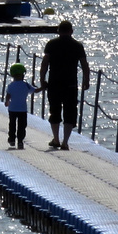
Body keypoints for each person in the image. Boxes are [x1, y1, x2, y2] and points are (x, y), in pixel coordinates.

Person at [38, 21, 90, 150]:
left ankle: (56, 139)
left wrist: (42, 79)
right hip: (71, 83)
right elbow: (84, 65)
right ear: (71, 31)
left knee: (54, 110)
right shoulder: (77, 46)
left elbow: (45, 63)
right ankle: (65, 141)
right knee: (70, 111)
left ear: (58, 31)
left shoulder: (51, 44)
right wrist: (86, 80)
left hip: (54, 82)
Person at [3, 62, 38, 149]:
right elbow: (35, 91)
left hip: (13, 108)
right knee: (22, 125)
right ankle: (20, 141)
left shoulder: (11, 85)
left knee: (12, 124)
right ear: (23, 74)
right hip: (22, 109)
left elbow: (8, 95)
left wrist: (7, 102)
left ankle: (11, 139)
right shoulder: (26, 85)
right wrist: (44, 87)